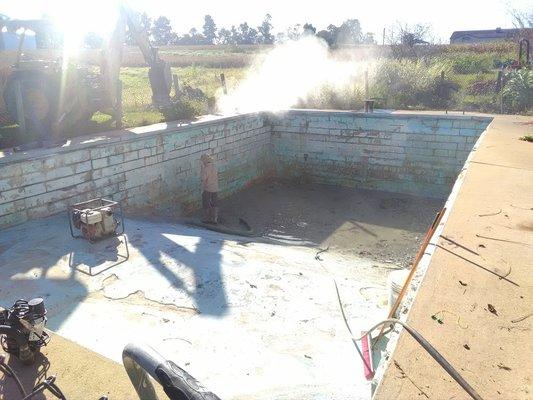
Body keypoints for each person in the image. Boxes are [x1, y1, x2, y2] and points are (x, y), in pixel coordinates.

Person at [200, 153, 219, 224]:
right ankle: (215, 219)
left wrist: (202, 170)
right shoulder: (214, 167)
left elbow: (203, 179)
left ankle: (207, 218)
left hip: (207, 188)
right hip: (215, 187)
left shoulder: (205, 169)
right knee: (215, 203)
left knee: (206, 203)